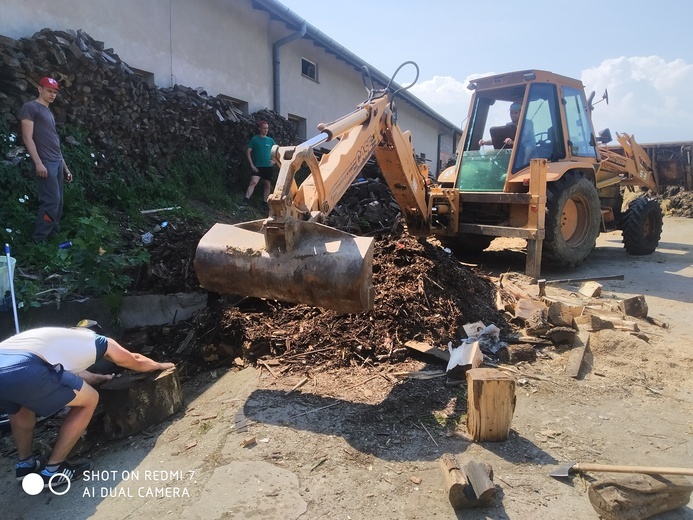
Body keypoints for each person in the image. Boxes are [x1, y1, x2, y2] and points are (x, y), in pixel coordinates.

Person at [0, 325, 175, 489]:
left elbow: (80, 375)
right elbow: (133, 360)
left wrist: (102, 378)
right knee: (90, 399)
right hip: (27, 366)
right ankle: (53, 471)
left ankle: (25, 465)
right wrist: (159, 365)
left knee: (20, 408)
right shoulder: (100, 341)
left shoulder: (60, 339)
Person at [19, 77, 74, 242]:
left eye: (55, 92)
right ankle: (40, 239)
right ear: (40, 89)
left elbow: (54, 143)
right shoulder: (30, 107)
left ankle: (53, 238)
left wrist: (65, 167)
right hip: (45, 163)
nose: (52, 95)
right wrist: (38, 162)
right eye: (49, 90)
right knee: (51, 201)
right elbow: (27, 138)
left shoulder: (48, 112)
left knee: (59, 202)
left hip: (57, 162)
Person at [243, 120, 276, 206]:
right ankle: (246, 200)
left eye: (267, 128)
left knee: (267, 185)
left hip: (268, 166)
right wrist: (251, 164)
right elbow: (248, 151)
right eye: (264, 128)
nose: (266, 130)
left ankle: (264, 203)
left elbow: (277, 151)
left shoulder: (270, 140)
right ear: (260, 129)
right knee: (253, 182)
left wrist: (274, 160)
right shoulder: (254, 139)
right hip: (257, 166)